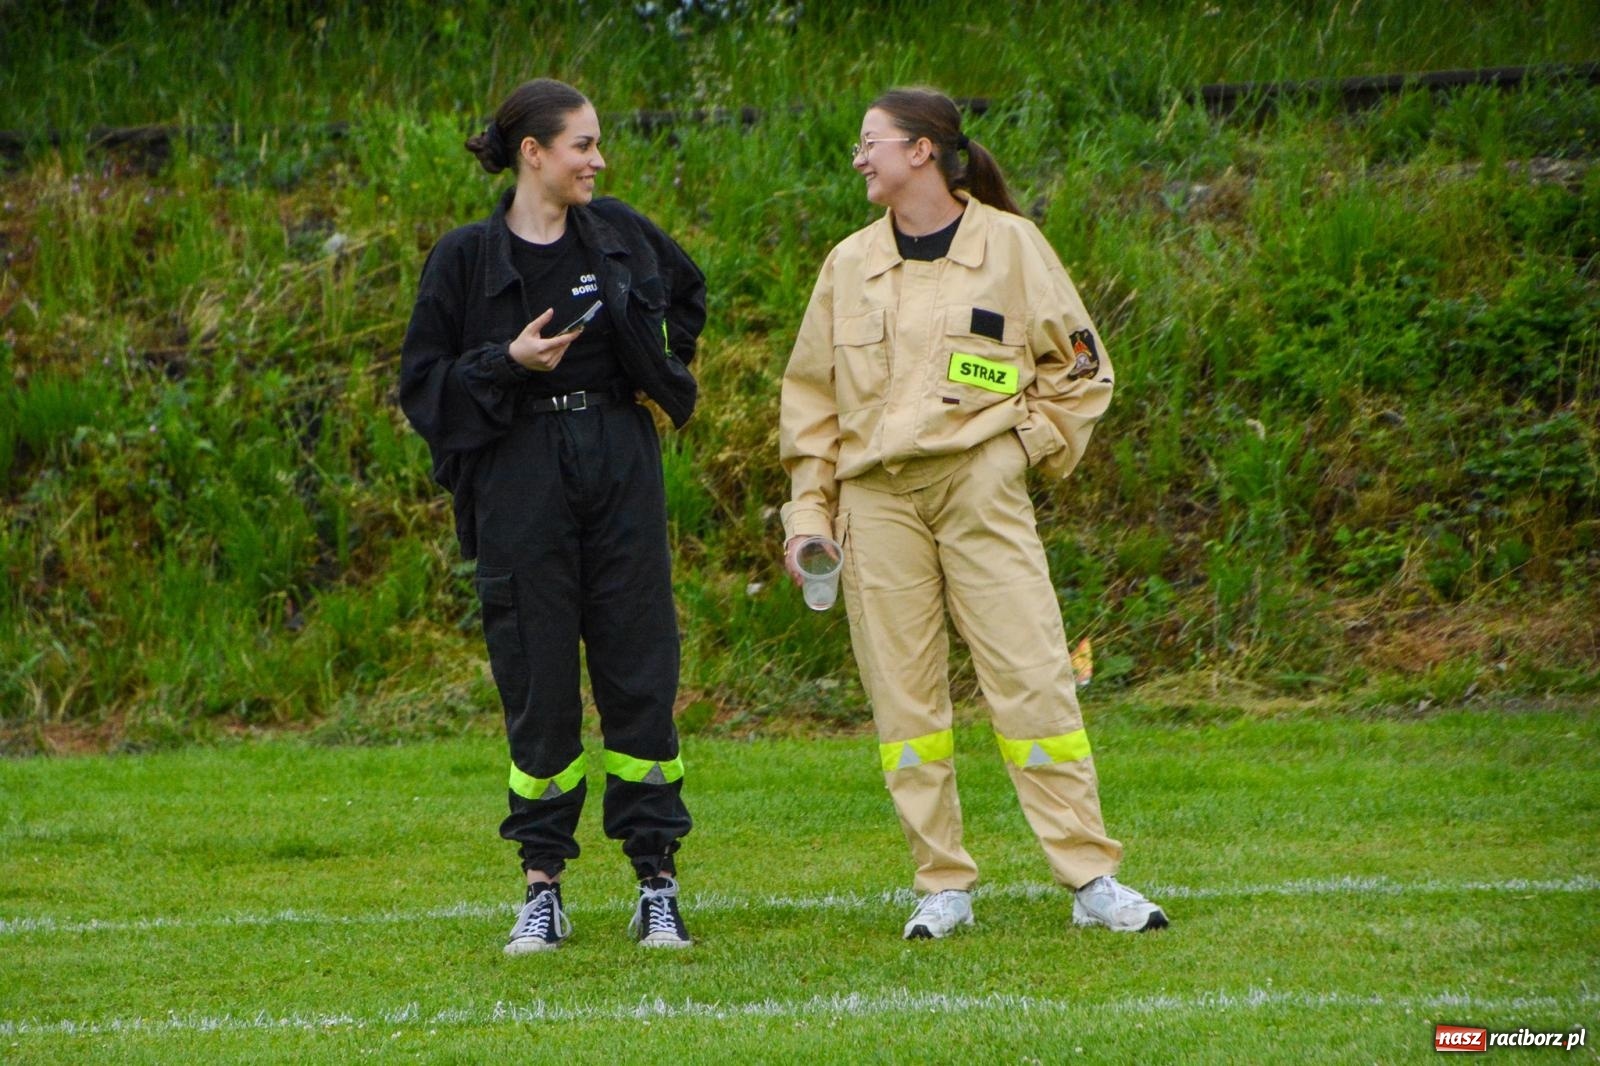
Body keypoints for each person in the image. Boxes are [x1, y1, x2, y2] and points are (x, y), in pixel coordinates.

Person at [779, 87, 1168, 939]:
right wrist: (809, 514)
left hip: (979, 489)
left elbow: (1080, 370)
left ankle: (1091, 878)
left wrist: (1017, 449)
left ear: (922, 151)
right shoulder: (848, 264)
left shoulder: (1013, 246)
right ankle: (941, 883)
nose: (858, 157)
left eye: (870, 142)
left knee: (1032, 676)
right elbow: (810, 404)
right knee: (904, 701)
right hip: (876, 504)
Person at [401, 78, 705, 953]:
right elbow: (424, 387)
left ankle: (657, 881)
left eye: (598, 144)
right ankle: (543, 886)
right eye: (583, 145)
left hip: (618, 460)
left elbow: (687, 294)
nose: (598, 161)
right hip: (518, 474)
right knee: (536, 678)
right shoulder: (464, 259)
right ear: (533, 153)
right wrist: (508, 361)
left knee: (640, 666)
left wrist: (656, 365)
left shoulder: (619, 235)